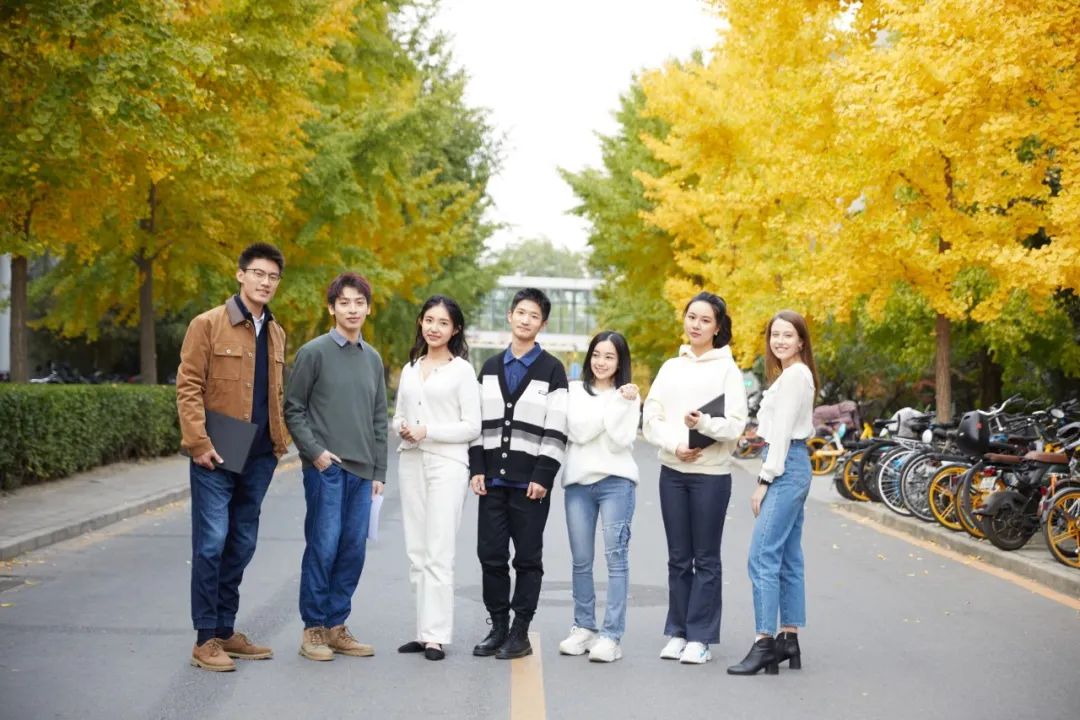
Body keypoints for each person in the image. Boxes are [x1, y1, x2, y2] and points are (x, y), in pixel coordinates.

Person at [176, 242, 290, 672]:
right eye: (258, 273)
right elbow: (188, 385)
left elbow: (274, 394)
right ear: (240, 275)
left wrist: (279, 444)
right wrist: (198, 442)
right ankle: (204, 638)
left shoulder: (276, 333)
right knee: (211, 543)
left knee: (241, 544)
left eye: (272, 277)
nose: (265, 282)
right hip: (216, 451)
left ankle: (225, 630)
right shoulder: (207, 324)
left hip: (259, 455)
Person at [284, 272, 387, 662]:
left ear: (368, 308)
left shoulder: (373, 358)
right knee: (323, 546)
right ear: (332, 308)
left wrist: (379, 472)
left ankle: (336, 625)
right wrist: (315, 453)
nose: (352, 309)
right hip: (326, 469)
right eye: (344, 302)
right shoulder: (314, 352)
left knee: (352, 551)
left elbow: (379, 418)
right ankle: (313, 628)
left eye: (359, 302)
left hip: (363, 472)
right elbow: (293, 408)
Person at [642, 291, 748, 665]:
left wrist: (702, 424)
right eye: (692, 317)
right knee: (677, 558)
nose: (696, 325)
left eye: (705, 320)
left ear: (717, 327)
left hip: (710, 476)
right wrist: (675, 445)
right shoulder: (671, 367)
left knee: (705, 558)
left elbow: (736, 425)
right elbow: (651, 416)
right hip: (672, 472)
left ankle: (700, 637)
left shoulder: (728, 370)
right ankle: (678, 631)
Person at [469, 287, 568, 660]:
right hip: (492, 482)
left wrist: (543, 475)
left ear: (543, 324)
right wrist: (477, 467)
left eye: (534, 316)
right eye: (521, 313)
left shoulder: (552, 370)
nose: (526, 320)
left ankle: (520, 631)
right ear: (510, 316)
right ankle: (498, 626)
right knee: (491, 555)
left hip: (530, 485)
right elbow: (477, 423)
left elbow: (557, 427)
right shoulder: (490, 368)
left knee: (527, 558)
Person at [728, 310, 818, 676]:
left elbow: (780, 434)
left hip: (785, 467)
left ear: (801, 341)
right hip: (794, 464)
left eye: (787, 335)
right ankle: (788, 639)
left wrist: (764, 481)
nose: (779, 341)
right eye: (774, 335)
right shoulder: (793, 375)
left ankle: (764, 642)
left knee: (762, 555)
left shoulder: (795, 376)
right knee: (788, 556)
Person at [393, 296, 481, 661]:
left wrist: (428, 430)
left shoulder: (462, 371)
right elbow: (398, 415)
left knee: (438, 551)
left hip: (447, 464)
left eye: (443, 323)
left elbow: (471, 426)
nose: (434, 328)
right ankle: (422, 631)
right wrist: (402, 427)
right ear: (420, 322)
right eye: (429, 320)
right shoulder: (410, 368)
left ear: (455, 329)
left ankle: (436, 636)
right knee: (416, 551)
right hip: (411, 460)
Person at [557, 331, 640, 663]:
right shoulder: (574, 390)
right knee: (581, 560)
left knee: (616, 560)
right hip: (578, 484)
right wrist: (612, 408)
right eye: (596, 354)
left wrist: (620, 402)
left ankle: (611, 636)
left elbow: (621, 439)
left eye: (609, 356)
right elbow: (576, 431)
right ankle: (584, 627)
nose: (601, 362)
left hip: (617, 483)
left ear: (620, 362)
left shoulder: (629, 396)